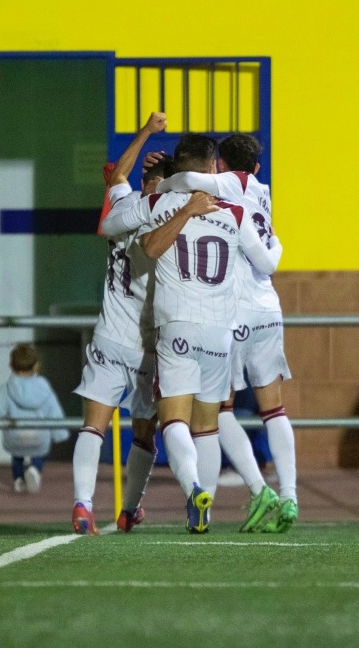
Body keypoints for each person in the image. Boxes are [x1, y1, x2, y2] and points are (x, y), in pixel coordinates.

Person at [101, 133, 283, 534]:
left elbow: (112, 225)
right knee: (209, 425)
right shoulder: (233, 208)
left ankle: (195, 491)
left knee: (174, 422)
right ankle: (208, 509)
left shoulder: (162, 201)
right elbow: (265, 260)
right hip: (220, 332)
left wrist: (157, 187)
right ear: (214, 164)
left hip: (179, 324)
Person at [72, 111, 217, 535]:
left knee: (92, 427)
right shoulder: (176, 220)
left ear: (145, 183)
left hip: (108, 337)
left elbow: (118, 173)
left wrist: (146, 131)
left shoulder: (126, 207)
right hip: (150, 347)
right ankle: (129, 508)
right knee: (145, 433)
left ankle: (82, 505)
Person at [155, 133, 296, 532]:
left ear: (222, 165)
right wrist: (280, 244)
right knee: (274, 409)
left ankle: (230, 496)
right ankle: (288, 494)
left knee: (215, 415)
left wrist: (162, 183)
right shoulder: (263, 192)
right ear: (257, 165)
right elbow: (269, 261)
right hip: (269, 309)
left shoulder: (230, 186)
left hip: (231, 313)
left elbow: (188, 181)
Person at [0, 343, 67, 493]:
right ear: (36, 366)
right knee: (41, 449)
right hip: (38, 436)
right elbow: (54, 411)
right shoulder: (44, 388)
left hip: (15, 436)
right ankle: (35, 469)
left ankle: (18, 479)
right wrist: (60, 434)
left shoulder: (5, 389)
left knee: (17, 454)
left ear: (11, 365)